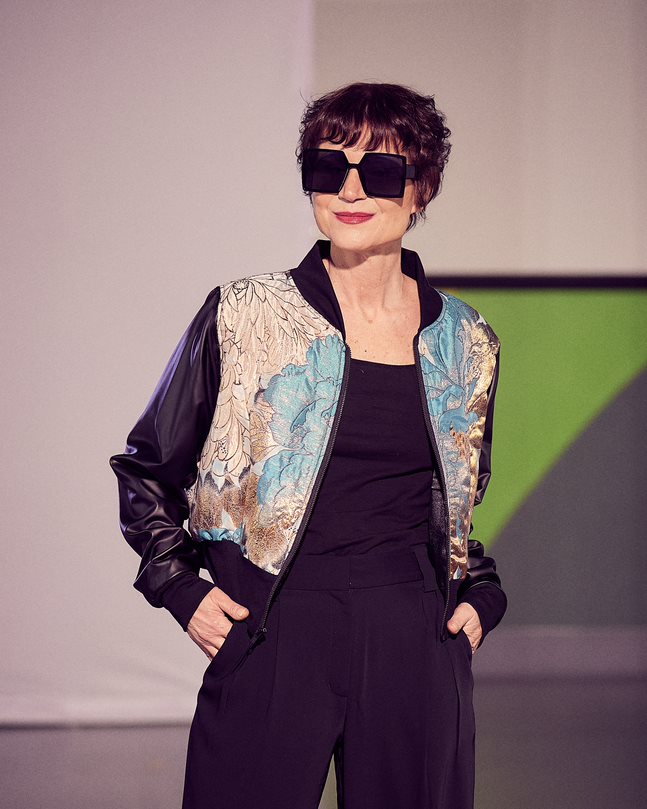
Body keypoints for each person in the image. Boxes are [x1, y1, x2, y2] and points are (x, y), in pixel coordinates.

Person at [109, 81, 507, 809]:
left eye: (379, 170)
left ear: (421, 188)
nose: (350, 189)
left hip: (415, 636)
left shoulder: (467, 339)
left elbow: (456, 500)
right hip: (272, 628)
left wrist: (479, 593)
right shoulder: (243, 314)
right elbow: (146, 470)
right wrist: (179, 588)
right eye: (329, 167)